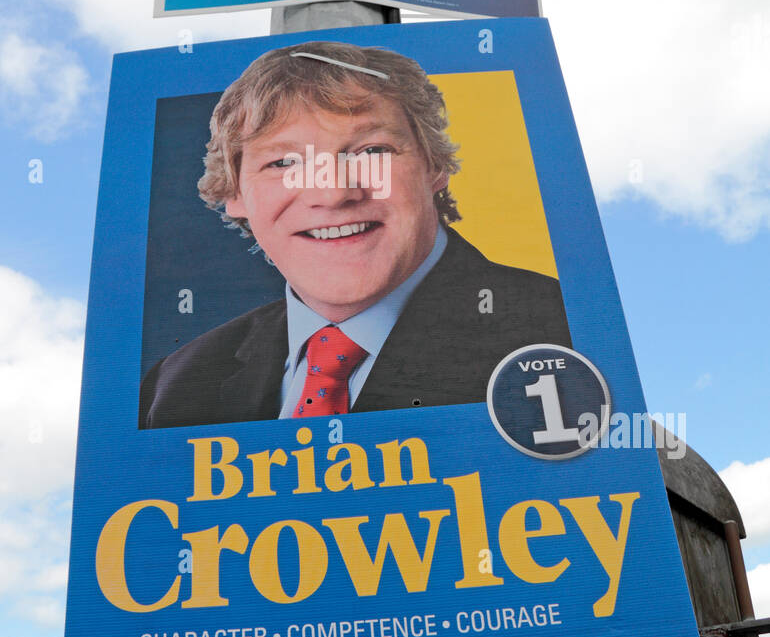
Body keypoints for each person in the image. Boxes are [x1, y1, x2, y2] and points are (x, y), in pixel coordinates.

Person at [140, 41, 570, 428]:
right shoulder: (176, 385)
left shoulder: (563, 330)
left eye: (372, 152)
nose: (333, 192)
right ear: (234, 194)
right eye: (285, 163)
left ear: (434, 165)